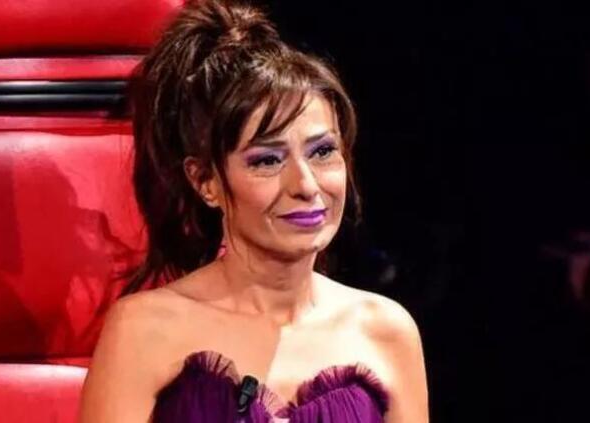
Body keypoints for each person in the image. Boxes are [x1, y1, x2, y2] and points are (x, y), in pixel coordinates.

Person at [78, 1, 428, 421]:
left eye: (322, 152)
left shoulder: (385, 331)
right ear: (205, 181)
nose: (306, 185)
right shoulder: (145, 331)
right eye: (267, 160)